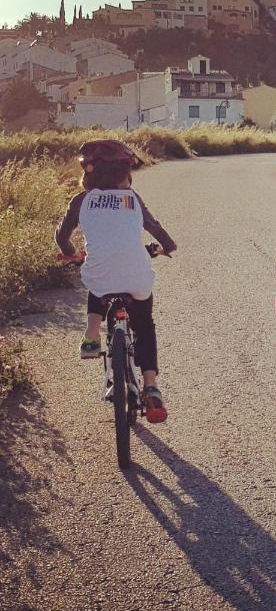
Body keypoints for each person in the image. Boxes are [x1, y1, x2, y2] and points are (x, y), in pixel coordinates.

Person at [55, 139, 177, 423]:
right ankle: (151, 386)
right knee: (144, 325)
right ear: (125, 173)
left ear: (89, 174)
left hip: (100, 273)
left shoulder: (81, 200)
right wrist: (167, 248)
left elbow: (62, 238)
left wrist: (73, 254)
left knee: (97, 276)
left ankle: (91, 335)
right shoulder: (132, 198)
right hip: (136, 274)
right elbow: (158, 231)